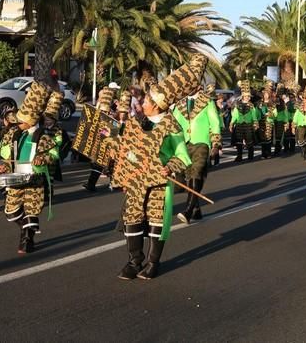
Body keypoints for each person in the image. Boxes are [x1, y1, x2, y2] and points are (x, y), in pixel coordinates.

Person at [109, 62, 193, 280]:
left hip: (159, 182)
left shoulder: (172, 127)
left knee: (156, 222)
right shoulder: (137, 122)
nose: (142, 103)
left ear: (156, 105)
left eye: (146, 100)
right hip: (136, 180)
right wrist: (116, 154)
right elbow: (126, 147)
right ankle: (134, 261)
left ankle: (153, 262)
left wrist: (169, 167)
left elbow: (183, 156)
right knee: (133, 218)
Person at [0, 81, 57, 254]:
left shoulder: (42, 137)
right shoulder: (16, 136)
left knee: (31, 210)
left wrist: (42, 158)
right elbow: (9, 159)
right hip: (16, 177)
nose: (18, 123)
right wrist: (3, 167)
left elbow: (54, 156)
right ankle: (26, 228)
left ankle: (27, 240)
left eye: (22, 121)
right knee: (11, 211)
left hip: (34, 178)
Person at [172, 56, 220, 224]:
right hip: (183, 144)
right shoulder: (179, 103)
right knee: (187, 177)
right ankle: (197, 209)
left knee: (197, 173)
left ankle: (188, 210)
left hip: (201, 142)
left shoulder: (207, 101)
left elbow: (215, 122)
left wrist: (215, 144)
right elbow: (172, 123)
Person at [82, 88, 115, 192]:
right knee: (98, 163)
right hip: (100, 142)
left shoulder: (112, 115)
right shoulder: (99, 112)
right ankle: (92, 183)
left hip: (108, 142)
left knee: (106, 163)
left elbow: (112, 129)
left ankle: (112, 183)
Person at [230, 80, 258, 162]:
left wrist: (255, 123)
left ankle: (250, 155)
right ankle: (239, 156)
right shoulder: (237, 105)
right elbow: (235, 115)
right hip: (239, 124)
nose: (247, 97)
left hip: (248, 124)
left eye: (248, 96)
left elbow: (254, 115)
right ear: (243, 97)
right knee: (239, 142)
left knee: (249, 141)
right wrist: (231, 123)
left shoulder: (251, 105)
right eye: (246, 96)